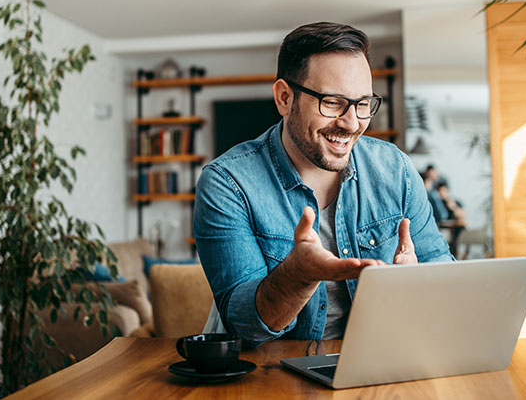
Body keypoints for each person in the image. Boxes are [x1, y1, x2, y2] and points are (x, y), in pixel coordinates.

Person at [193, 22, 453, 345]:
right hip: (273, 378)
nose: (351, 123)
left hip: (378, 363)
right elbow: (244, 328)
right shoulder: (227, 184)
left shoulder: (395, 169)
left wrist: (418, 284)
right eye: (332, 102)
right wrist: (298, 276)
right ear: (285, 98)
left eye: (362, 104)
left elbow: (443, 274)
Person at [434, 181, 467, 258]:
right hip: (443, 228)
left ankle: (454, 255)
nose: (442, 194)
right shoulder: (437, 204)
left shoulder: (455, 202)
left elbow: (462, 216)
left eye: (443, 191)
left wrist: (453, 207)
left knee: (456, 233)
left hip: (456, 228)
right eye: (439, 191)